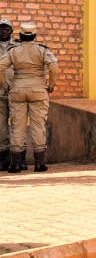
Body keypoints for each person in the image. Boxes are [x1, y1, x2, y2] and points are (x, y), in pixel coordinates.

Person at [0, 23, 57, 173]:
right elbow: (54, 65)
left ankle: (16, 164)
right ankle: (39, 163)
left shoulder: (14, 50)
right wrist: (51, 85)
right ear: (34, 36)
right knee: (38, 126)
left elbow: (1, 66)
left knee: (18, 127)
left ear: (19, 36)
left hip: (17, 89)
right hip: (38, 89)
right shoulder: (41, 50)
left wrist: (5, 84)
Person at [0, 19, 14, 171]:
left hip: (15, 91)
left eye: (6, 28)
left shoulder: (18, 47)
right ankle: (3, 160)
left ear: (12, 31)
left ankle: (18, 160)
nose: (4, 31)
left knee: (18, 127)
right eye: (1, 28)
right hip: (0, 94)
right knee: (1, 129)